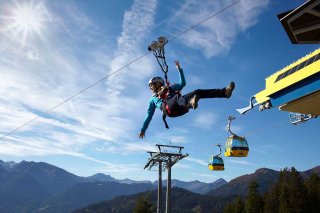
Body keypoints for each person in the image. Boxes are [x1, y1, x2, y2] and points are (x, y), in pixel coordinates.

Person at [139, 60, 235, 138]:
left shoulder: (170, 88)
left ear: (158, 84)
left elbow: (182, 83)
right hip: (169, 109)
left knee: (197, 92)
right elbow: (149, 115)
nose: (150, 88)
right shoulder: (153, 99)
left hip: (181, 108)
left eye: (151, 85)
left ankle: (224, 93)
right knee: (178, 97)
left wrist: (179, 69)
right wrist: (143, 130)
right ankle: (190, 102)